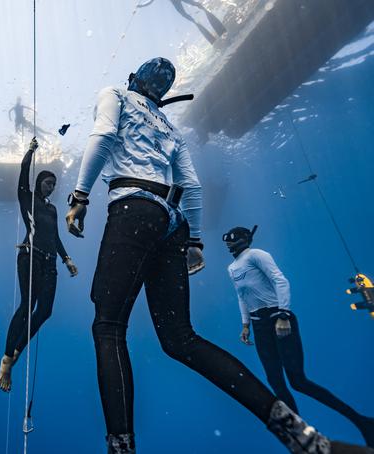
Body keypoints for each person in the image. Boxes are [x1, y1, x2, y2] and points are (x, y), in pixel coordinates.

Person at [64, 57, 371, 453]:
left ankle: (121, 447)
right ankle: (300, 435)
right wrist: (193, 242)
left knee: (108, 327)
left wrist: (80, 195)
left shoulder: (115, 95)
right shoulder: (170, 127)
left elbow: (104, 136)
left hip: (133, 209)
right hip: (171, 222)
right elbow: (191, 186)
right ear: (162, 94)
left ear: (134, 79)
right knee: (181, 339)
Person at [224, 225, 374, 447]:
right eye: (227, 239)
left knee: (298, 381)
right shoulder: (232, 267)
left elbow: (280, 280)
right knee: (275, 381)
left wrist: (283, 315)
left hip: (278, 317)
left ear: (245, 238)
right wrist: (245, 324)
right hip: (258, 325)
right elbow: (241, 296)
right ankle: (302, 440)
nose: (228, 242)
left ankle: (362, 422)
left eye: (232, 238)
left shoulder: (257, 255)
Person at [0, 137, 78, 392]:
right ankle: (7, 359)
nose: (50, 188)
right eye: (47, 183)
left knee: (46, 311)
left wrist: (67, 259)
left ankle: (18, 350)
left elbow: (55, 237)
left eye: (53, 185)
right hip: (29, 256)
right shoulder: (26, 198)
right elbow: (23, 174)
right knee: (27, 305)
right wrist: (30, 152)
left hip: (50, 261)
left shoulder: (53, 209)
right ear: (38, 183)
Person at [137, 0, 226, 45]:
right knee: (189, 15)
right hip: (176, 3)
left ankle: (204, 17)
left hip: (177, 2)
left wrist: (141, 5)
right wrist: (141, 5)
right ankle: (200, 21)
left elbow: (149, 2)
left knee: (194, 9)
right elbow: (149, 2)